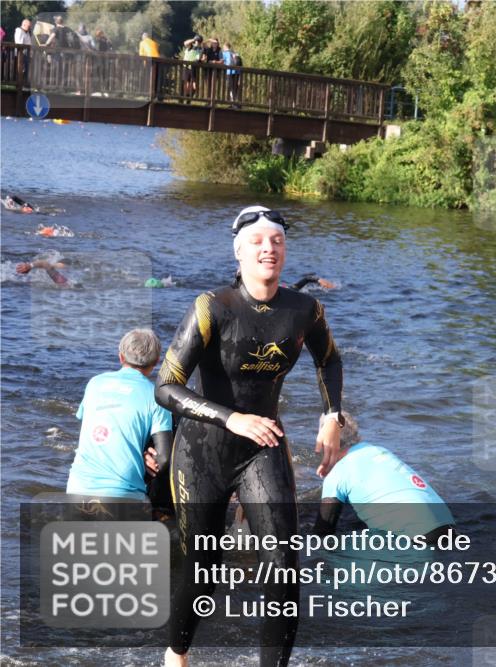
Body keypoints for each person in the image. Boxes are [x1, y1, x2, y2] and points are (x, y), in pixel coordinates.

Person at [155, 205, 344, 667]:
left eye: (277, 240)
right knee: (202, 569)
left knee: (283, 568)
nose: (269, 248)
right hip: (203, 450)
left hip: (263, 446)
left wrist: (332, 415)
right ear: (238, 251)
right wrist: (229, 418)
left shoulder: (305, 310)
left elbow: (330, 360)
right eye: (258, 241)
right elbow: (166, 386)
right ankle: (176, 655)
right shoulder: (212, 307)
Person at [66, 329, 173, 501]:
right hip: (123, 494)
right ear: (157, 361)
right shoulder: (156, 397)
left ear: (121, 357)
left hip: (77, 489)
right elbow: (164, 458)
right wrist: (145, 457)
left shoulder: (95, 383)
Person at [313, 415, 455, 541]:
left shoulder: (337, 474)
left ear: (326, 443)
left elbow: (322, 533)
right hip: (449, 529)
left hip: (416, 539)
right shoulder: (379, 450)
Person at [180, 35, 202, 100]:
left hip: (194, 68)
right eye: (198, 41)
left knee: (194, 85)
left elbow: (198, 58)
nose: (198, 43)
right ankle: (185, 97)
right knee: (186, 83)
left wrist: (201, 59)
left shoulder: (200, 49)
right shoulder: (191, 46)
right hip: (186, 67)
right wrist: (194, 39)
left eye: (199, 42)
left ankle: (190, 97)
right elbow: (185, 43)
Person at [221, 42, 242, 106]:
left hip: (229, 72)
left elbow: (221, 61)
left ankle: (233, 103)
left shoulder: (224, 53)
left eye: (223, 47)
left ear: (225, 47)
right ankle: (236, 102)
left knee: (231, 87)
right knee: (235, 87)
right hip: (237, 72)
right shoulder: (235, 53)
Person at [13, 19, 32, 84]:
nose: (29, 28)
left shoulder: (27, 32)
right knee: (21, 70)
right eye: (28, 26)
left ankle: (24, 83)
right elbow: (19, 43)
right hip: (21, 54)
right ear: (24, 25)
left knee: (26, 70)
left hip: (26, 54)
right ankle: (20, 84)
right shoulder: (19, 31)